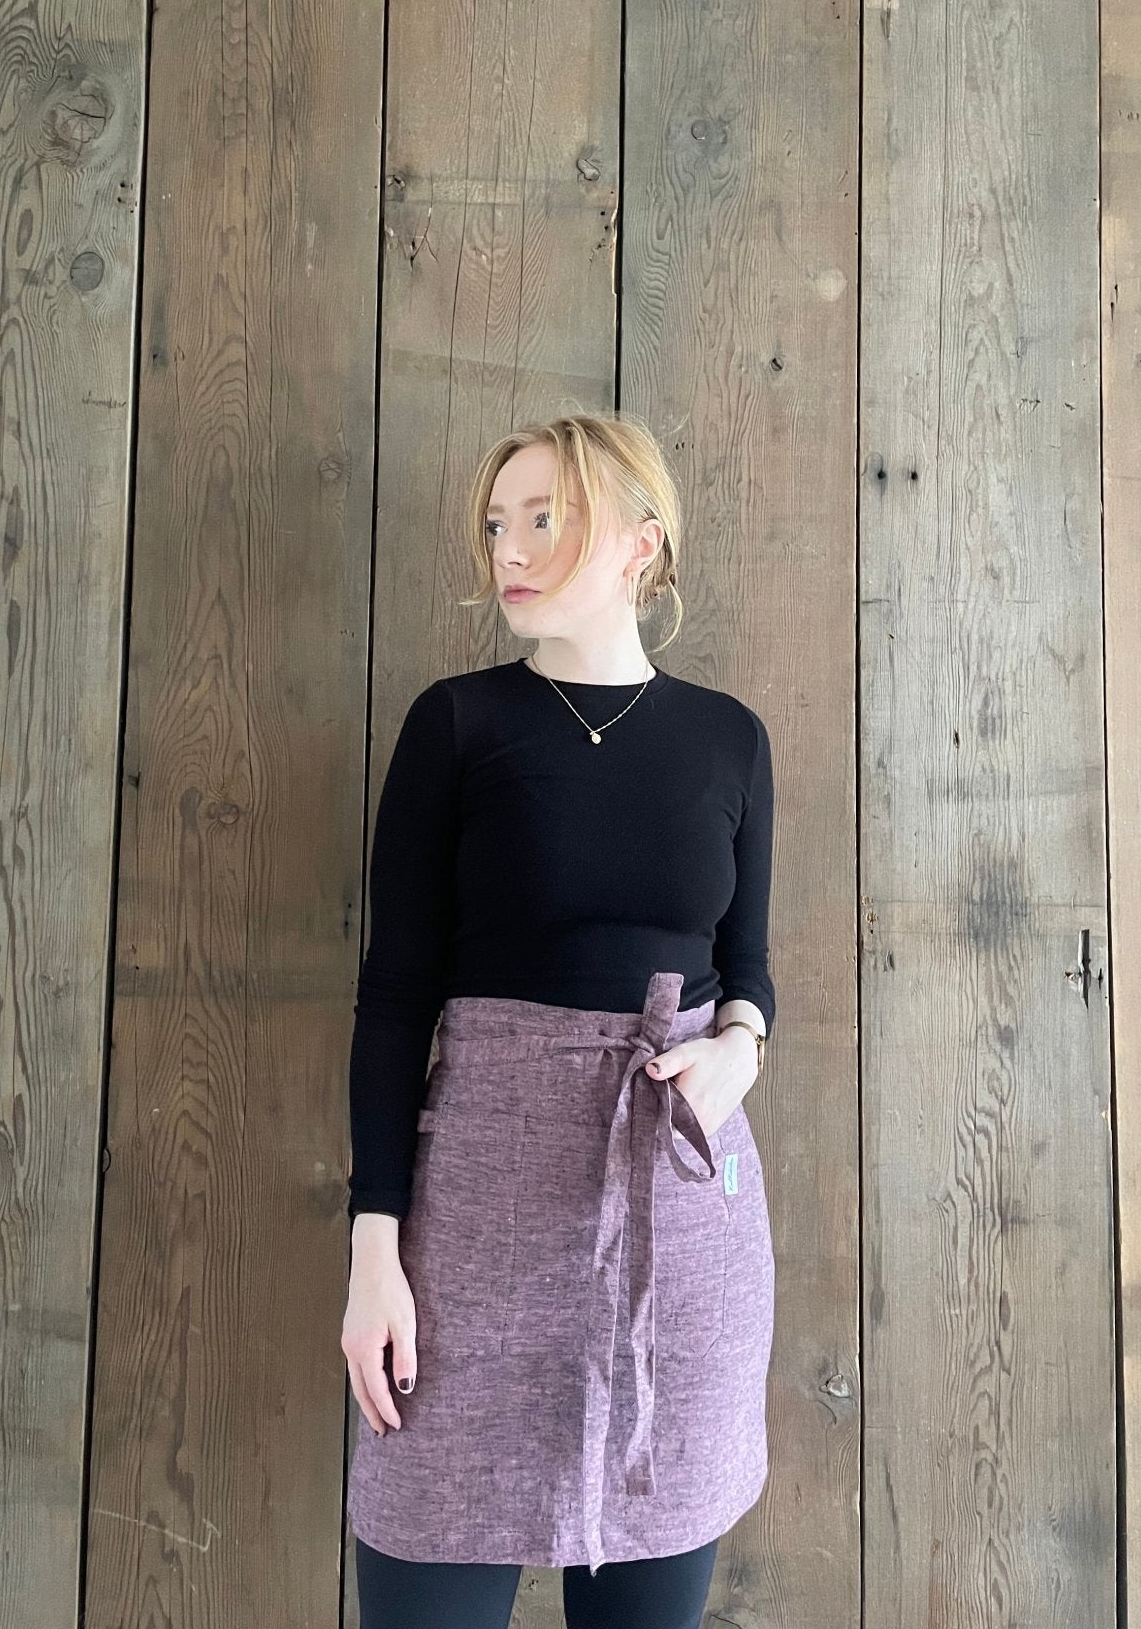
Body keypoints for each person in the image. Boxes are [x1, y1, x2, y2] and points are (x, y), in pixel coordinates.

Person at [341, 409, 777, 1629]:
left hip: (680, 1236)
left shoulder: (729, 740)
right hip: (472, 1232)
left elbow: (749, 968)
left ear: (640, 546)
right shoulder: (458, 724)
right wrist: (375, 1251)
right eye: (497, 523)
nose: (510, 549)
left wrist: (740, 1048)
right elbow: (394, 996)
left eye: (547, 518)